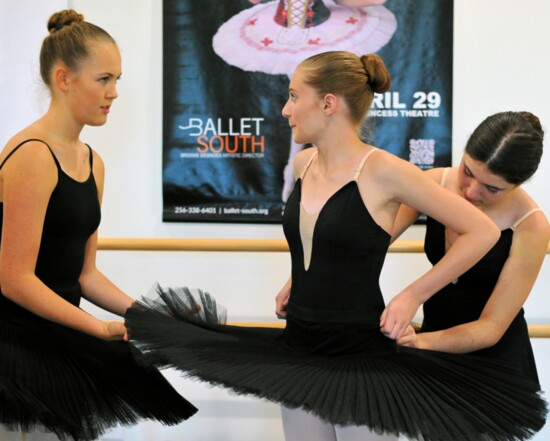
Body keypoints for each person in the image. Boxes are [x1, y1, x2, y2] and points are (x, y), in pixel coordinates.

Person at [125, 51, 547, 441]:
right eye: (468, 173)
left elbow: (483, 246)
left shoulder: (390, 172)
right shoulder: (304, 163)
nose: (286, 109)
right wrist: (301, 276)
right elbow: (358, 236)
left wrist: (409, 298)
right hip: (304, 342)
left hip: (398, 350)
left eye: (293, 96)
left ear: (328, 103)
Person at [0, 9, 196, 441]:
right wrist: (98, 327)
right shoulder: (32, 155)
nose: (114, 93)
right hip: (18, 348)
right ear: (64, 79)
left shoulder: (93, 163)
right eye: (103, 79)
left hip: (62, 338)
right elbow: (14, 280)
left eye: (117, 80)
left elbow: (84, 274)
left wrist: (147, 317)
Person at [390, 111, 549, 387]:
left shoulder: (531, 225)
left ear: (517, 185)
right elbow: (370, 239)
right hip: (430, 350)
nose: (472, 192)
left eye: (491, 188)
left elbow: (491, 327)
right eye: (467, 172)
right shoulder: (433, 184)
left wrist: (420, 341)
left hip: (493, 365)